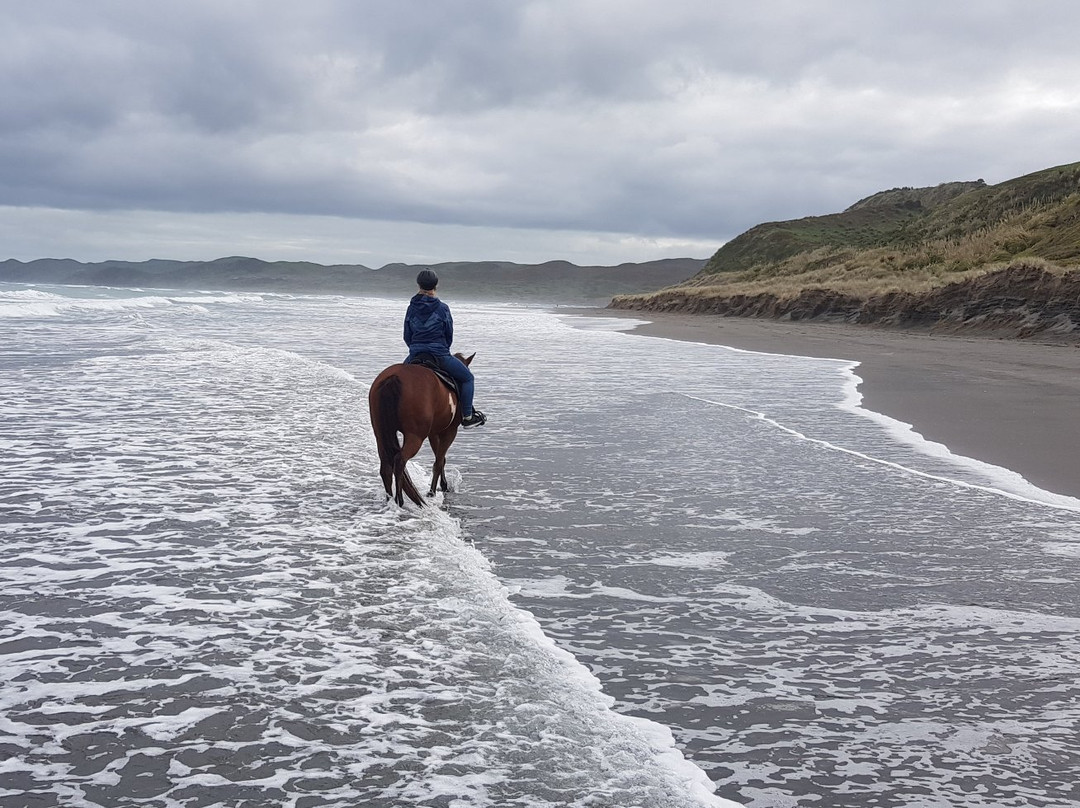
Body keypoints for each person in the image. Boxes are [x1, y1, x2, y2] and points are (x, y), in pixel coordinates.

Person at [404, 269, 487, 428]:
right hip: (439, 354)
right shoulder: (442, 308)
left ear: (419, 285)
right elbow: (449, 335)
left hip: (415, 353)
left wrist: (415, 349)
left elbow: (407, 335)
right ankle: (468, 417)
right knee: (468, 378)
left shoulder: (411, 308)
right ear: (435, 285)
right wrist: (442, 350)